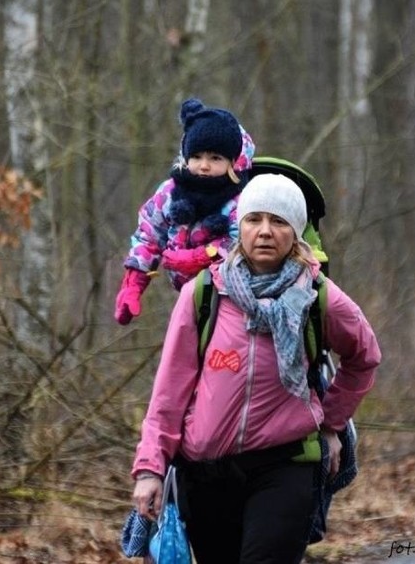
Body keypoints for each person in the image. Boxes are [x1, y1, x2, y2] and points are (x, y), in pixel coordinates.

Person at [129, 173, 381, 563]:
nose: (265, 231)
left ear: (296, 232)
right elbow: (168, 394)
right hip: (206, 473)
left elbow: (364, 357)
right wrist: (150, 468)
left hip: (286, 466)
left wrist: (332, 422)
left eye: (279, 222)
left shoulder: (318, 298)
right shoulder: (204, 294)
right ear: (240, 225)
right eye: (254, 219)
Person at [113, 97, 256, 325]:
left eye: (215, 158)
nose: (204, 165)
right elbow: (149, 235)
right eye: (197, 157)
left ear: (233, 162)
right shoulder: (171, 192)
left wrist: (200, 257)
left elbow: (244, 243)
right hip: (187, 296)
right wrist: (134, 283)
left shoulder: (241, 198)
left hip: (233, 298)